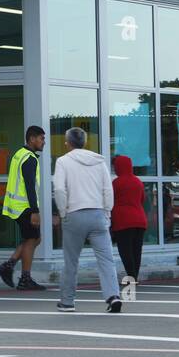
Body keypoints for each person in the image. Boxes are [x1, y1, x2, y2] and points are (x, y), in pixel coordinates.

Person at [52, 127, 122, 313]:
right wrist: (107, 211)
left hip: (74, 214)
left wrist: (63, 212)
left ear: (67, 143)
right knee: (106, 259)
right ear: (85, 142)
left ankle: (67, 302)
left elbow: (59, 189)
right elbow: (108, 189)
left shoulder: (63, 161)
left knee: (71, 261)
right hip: (98, 213)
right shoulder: (99, 161)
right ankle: (113, 296)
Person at [0, 125, 48, 291]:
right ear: (32, 139)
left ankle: (9, 265)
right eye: (41, 138)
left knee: (33, 239)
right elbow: (29, 185)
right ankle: (24, 278)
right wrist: (35, 210)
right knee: (32, 239)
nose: (44, 142)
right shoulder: (29, 158)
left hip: (17, 206)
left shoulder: (19, 154)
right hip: (25, 207)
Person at [110, 154, 147, 287]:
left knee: (125, 251)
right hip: (140, 219)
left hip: (123, 220)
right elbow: (142, 199)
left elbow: (110, 201)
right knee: (136, 250)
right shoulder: (138, 181)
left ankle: (131, 277)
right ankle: (134, 276)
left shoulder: (116, 182)